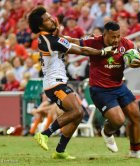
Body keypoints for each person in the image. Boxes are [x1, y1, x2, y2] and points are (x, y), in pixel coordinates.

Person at [28, 6, 114, 160]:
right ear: (40, 26)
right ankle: (44, 134)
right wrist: (103, 52)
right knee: (76, 111)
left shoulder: (47, 38)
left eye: (50, 16)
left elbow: (59, 36)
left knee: (78, 114)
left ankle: (60, 151)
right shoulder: (52, 41)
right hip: (55, 85)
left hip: (57, 83)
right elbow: (83, 51)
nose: (51, 19)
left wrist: (57, 29)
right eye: (47, 19)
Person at [65, 21, 140, 159]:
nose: (116, 40)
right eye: (113, 37)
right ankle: (107, 131)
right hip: (100, 89)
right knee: (118, 121)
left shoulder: (126, 44)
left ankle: (135, 151)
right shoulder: (94, 42)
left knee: (135, 115)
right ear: (104, 35)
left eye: (118, 36)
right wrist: (55, 38)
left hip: (119, 86)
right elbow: (74, 41)